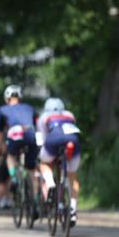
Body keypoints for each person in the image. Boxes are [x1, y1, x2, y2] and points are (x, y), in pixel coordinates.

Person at [0, 85, 39, 216]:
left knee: (10, 156)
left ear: (7, 98)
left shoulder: (2, 110)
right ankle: (35, 201)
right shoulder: (30, 108)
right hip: (30, 133)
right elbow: (36, 125)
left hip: (15, 134)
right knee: (31, 170)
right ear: (20, 97)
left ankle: (14, 178)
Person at [37, 97, 82, 228]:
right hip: (72, 141)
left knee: (44, 163)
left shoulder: (44, 117)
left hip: (53, 140)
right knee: (72, 177)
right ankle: (73, 210)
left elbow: (44, 138)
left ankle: (50, 184)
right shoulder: (69, 115)